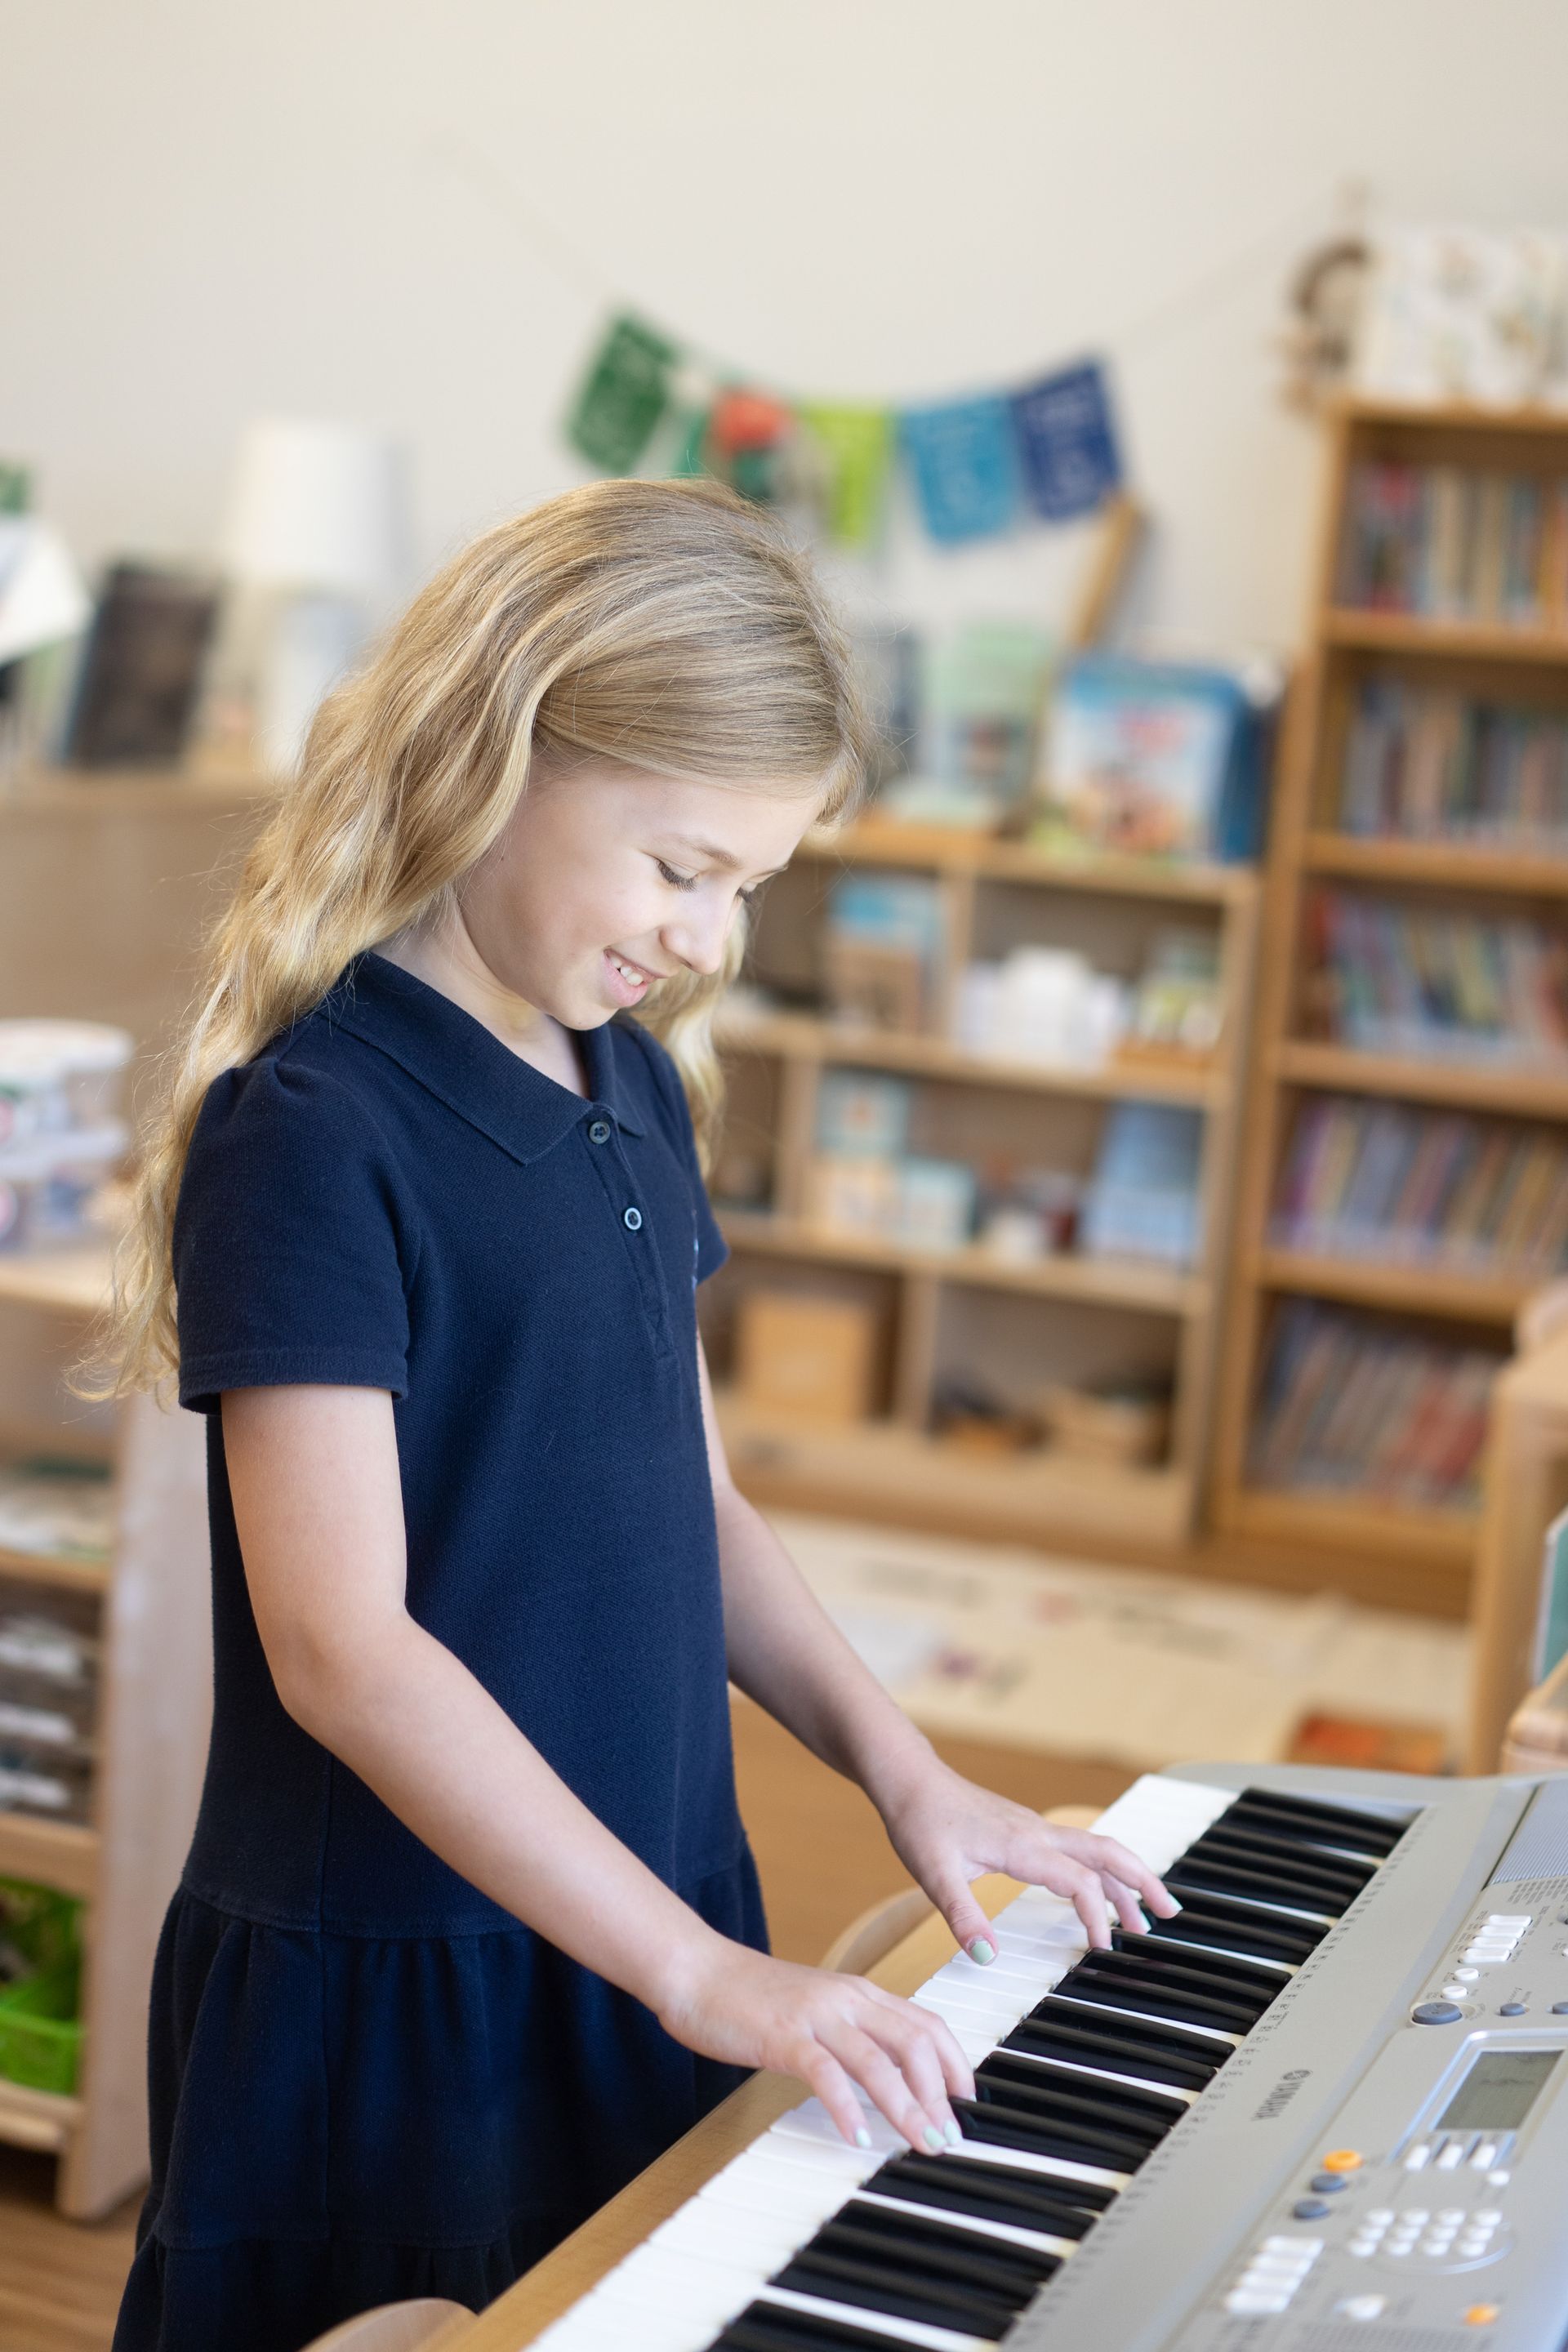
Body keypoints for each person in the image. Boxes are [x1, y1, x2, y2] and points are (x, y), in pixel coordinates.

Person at [87, 477, 1175, 2352]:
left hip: (652, 1908)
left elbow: (704, 1510)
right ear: (499, 753)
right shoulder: (315, 1131)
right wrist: (702, 1979)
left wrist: (907, 1773)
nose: (706, 937)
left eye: (748, 888)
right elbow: (342, 1651)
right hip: (408, 1983)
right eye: (683, 870)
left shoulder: (633, 1086)